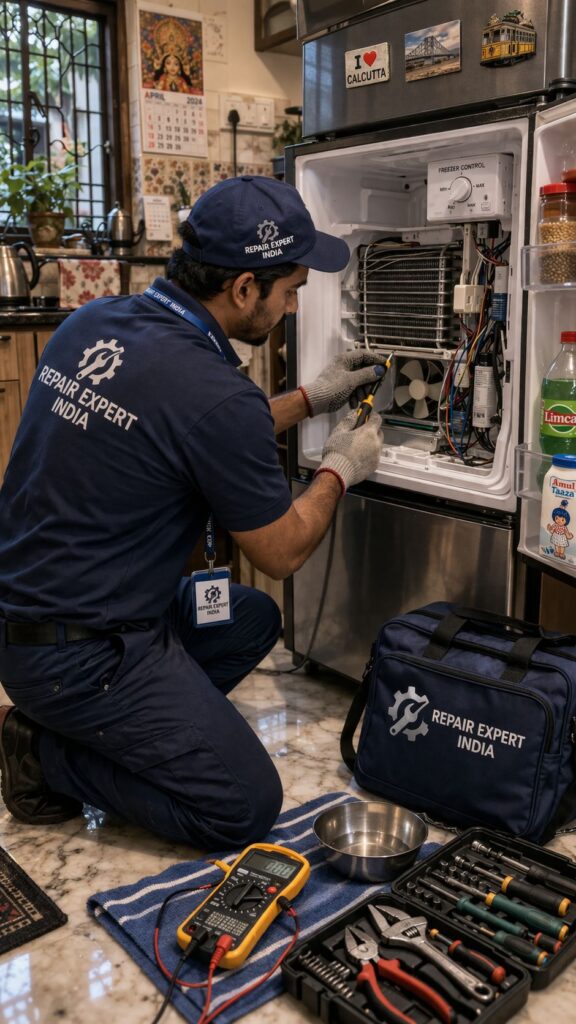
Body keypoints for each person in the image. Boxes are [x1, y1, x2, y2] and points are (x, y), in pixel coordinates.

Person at [0, 175, 385, 849]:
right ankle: (44, 754)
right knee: (242, 805)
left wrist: (309, 400)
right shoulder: (215, 392)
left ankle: (129, 730)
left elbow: (177, 433)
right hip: (80, 655)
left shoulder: (95, 320)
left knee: (253, 619)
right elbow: (282, 550)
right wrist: (339, 468)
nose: (292, 308)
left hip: (28, 624)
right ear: (244, 289)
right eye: (290, 290)